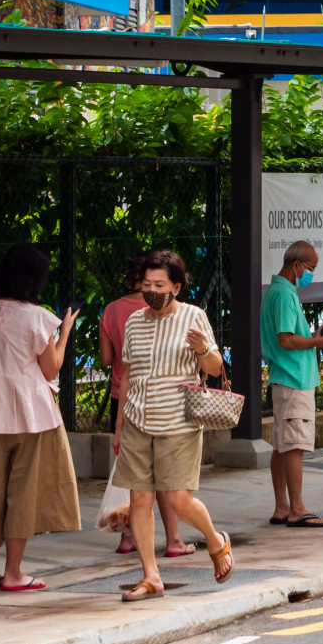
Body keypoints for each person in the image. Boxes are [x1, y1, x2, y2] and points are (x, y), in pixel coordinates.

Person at [0, 244, 80, 592]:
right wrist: (65, 329)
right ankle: (13, 573)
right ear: (34, 278)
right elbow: (51, 367)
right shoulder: (38, 316)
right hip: (34, 415)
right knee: (23, 493)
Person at [112, 249, 232, 601]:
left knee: (178, 500)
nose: (152, 289)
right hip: (137, 420)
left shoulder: (194, 317)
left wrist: (201, 349)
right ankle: (151, 576)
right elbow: (128, 375)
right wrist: (119, 426)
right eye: (146, 283)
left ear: (176, 286)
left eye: (160, 284)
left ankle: (214, 538)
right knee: (139, 502)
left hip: (178, 422)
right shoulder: (133, 322)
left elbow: (213, 368)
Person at [100, 255, 194, 556]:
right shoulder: (149, 313)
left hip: (123, 400)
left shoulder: (112, 311)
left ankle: (127, 537)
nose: (152, 289)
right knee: (161, 481)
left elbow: (106, 359)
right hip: (155, 403)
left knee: (136, 482)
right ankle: (173, 539)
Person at [261, 241, 323, 528]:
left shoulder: (279, 291)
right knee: (293, 445)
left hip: (287, 377)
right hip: (294, 379)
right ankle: (297, 508)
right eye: (310, 269)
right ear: (297, 265)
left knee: (283, 446)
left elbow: (291, 336)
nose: (311, 274)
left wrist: (313, 336)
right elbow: (285, 339)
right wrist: (318, 341)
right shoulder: (283, 293)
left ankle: (283, 507)